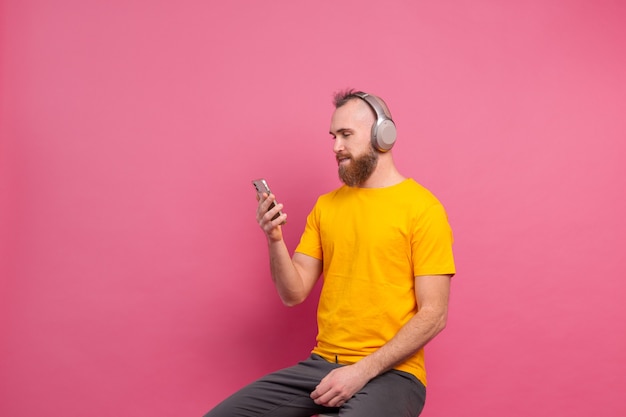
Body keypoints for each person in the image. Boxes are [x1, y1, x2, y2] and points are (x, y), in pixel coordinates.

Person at [203, 89, 456, 417]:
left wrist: (360, 372)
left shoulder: (423, 209)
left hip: (393, 374)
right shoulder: (326, 206)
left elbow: (434, 314)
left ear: (383, 134)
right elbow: (293, 294)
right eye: (333, 136)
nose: (336, 147)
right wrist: (275, 239)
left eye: (346, 135)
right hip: (322, 366)